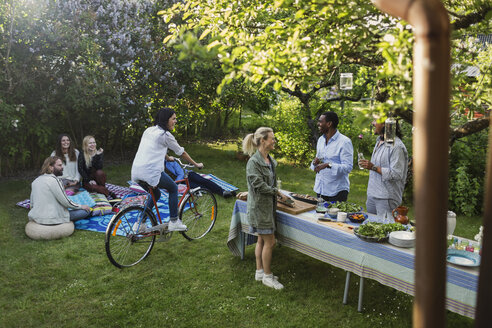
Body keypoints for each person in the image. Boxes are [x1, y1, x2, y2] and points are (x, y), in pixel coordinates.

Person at [131, 108, 204, 232]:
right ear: (166, 120)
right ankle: (174, 221)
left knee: (156, 194)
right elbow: (182, 153)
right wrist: (196, 164)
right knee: (173, 188)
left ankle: (140, 223)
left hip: (137, 171)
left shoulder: (149, 130)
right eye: (173, 119)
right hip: (151, 172)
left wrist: (167, 157)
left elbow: (153, 147)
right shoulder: (166, 135)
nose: (175, 121)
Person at [243, 127, 289, 290]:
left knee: (262, 239)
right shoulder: (253, 162)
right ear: (263, 140)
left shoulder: (269, 160)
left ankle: (260, 272)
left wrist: (276, 193)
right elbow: (258, 185)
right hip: (259, 208)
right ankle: (268, 277)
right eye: (272, 138)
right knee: (270, 241)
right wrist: (276, 192)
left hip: (268, 207)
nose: (274, 141)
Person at [358, 119, 408, 218]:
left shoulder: (397, 146)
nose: (372, 123)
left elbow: (397, 174)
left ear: (386, 124)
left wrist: (373, 167)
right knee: (371, 229)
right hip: (372, 195)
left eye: (375, 120)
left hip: (386, 199)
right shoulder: (379, 141)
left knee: (385, 230)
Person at [28, 156, 91, 224]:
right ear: (50, 167)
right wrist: (81, 206)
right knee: (85, 211)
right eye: (59, 165)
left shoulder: (35, 181)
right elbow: (66, 202)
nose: (62, 167)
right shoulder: (54, 180)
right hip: (52, 218)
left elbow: (32, 204)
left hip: (36, 217)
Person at [310, 111, 353, 202]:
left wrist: (328, 165)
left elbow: (348, 167)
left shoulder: (344, 142)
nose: (318, 124)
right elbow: (318, 159)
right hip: (321, 188)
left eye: (321, 121)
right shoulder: (321, 140)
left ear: (329, 124)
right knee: (320, 216)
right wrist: (315, 163)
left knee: (334, 216)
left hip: (337, 191)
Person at [165, 158, 236, 198]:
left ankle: (223, 191)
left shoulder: (170, 161)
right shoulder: (157, 167)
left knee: (202, 180)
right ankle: (219, 192)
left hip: (187, 175)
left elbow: (180, 173)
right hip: (182, 182)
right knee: (199, 187)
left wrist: (174, 184)